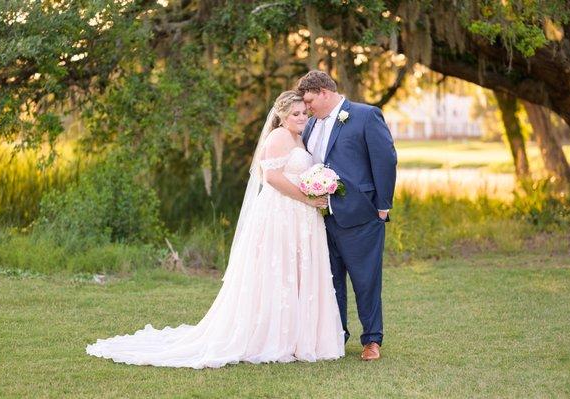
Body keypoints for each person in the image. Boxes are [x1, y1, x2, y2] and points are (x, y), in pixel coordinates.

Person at [85, 90, 345, 369]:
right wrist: (307, 198)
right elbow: (271, 177)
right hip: (281, 214)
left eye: (304, 113)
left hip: (299, 216)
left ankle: (298, 338)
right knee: (278, 272)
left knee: (295, 273)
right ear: (281, 115)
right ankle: (272, 337)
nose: (302, 118)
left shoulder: (298, 138)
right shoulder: (278, 137)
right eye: (296, 114)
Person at [296, 70, 397, 361]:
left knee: (365, 280)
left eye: (310, 100)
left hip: (360, 216)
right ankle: (336, 336)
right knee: (329, 281)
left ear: (325, 93)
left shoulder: (366, 116)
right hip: (320, 218)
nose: (307, 106)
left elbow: (386, 159)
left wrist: (382, 205)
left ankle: (372, 340)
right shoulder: (310, 125)